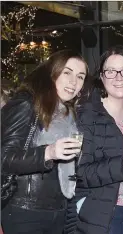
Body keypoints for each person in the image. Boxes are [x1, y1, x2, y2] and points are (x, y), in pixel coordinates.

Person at [64, 45, 123, 234]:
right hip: (100, 214)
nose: (119, 77)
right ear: (102, 77)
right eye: (111, 71)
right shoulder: (87, 116)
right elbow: (79, 173)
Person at [1, 49, 88, 234]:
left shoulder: (68, 113)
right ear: (52, 73)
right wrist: (48, 152)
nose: (74, 81)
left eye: (81, 76)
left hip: (58, 209)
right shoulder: (26, 103)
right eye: (67, 72)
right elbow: (5, 158)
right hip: (25, 209)